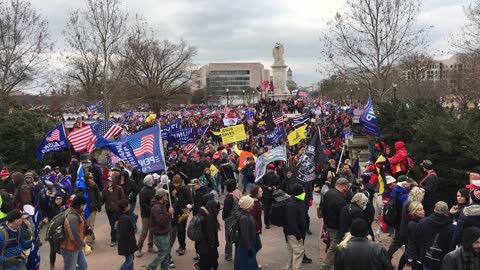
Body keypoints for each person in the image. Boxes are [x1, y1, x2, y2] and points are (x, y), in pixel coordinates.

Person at [414, 201, 454, 270]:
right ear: (446, 212)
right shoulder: (452, 228)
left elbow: (417, 240)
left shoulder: (422, 223)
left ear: (434, 209)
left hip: (427, 258)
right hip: (443, 261)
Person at [320, 178, 349, 270]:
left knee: (332, 242)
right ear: (343, 186)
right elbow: (343, 215)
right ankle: (326, 265)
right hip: (335, 225)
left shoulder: (329, 192)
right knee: (335, 246)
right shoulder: (339, 199)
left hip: (328, 223)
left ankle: (333, 263)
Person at [147, 189, 174, 270]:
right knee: (163, 254)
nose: (166, 196)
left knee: (165, 255)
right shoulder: (157, 208)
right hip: (160, 235)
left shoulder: (161, 205)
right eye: (165, 195)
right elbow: (161, 221)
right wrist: (169, 213)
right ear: (162, 197)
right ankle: (151, 267)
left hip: (164, 233)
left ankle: (164, 268)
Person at [60, 196, 88, 270]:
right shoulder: (72, 217)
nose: (85, 206)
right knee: (70, 268)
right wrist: (84, 245)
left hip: (76, 246)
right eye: (84, 204)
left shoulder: (77, 213)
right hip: (69, 248)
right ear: (80, 205)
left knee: (83, 266)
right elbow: (74, 236)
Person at [283, 184, 307, 270]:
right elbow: (291, 222)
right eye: (303, 191)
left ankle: (288, 267)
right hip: (293, 233)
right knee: (299, 251)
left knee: (291, 251)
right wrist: (298, 235)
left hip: (292, 232)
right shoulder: (292, 204)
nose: (304, 192)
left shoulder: (296, 201)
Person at [76, 172, 101, 246]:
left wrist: (98, 205)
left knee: (90, 225)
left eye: (92, 177)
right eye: (90, 178)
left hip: (92, 208)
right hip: (83, 209)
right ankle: (91, 236)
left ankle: (88, 243)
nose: (92, 179)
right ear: (86, 179)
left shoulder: (94, 185)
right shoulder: (81, 187)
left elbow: (98, 196)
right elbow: (76, 195)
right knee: (85, 225)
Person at [234, 196, 258, 270]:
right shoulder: (245, 218)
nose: (253, 204)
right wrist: (249, 248)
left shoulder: (243, 213)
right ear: (247, 205)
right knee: (245, 265)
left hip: (244, 245)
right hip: (245, 246)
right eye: (251, 203)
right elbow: (245, 235)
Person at [194, 200, 220, 270]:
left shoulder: (202, 214)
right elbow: (210, 235)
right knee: (206, 264)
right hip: (207, 247)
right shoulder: (208, 218)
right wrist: (213, 244)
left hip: (202, 246)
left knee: (205, 262)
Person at [400, 201, 425, 270]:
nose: (423, 211)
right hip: (416, 256)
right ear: (414, 211)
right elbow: (416, 242)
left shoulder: (420, 221)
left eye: (423, 209)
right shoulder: (413, 224)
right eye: (420, 210)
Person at [136, 174, 156, 257]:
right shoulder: (143, 191)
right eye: (152, 179)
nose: (154, 180)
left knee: (152, 230)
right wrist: (152, 209)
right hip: (146, 215)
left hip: (152, 213)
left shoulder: (153, 190)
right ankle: (138, 249)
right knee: (144, 232)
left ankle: (150, 246)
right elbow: (143, 204)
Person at [171, 175, 192, 256]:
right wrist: (174, 196)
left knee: (181, 230)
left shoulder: (185, 190)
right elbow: (174, 201)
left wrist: (186, 211)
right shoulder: (174, 190)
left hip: (184, 212)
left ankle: (182, 247)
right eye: (174, 183)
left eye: (176, 183)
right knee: (178, 230)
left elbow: (190, 202)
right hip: (176, 212)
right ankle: (181, 245)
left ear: (179, 182)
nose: (175, 185)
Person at [102, 176, 125, 247]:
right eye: (108, 181)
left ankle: (113, 239)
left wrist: (118, 204)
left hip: (117, 210)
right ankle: (116, 236)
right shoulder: (105, 190)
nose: (109, 182)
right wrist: (98, 205)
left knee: (113, 224)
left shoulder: (118, 188)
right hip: (109, 210)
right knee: (113, 224)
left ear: (114, 181)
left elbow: (123, 198)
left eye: (111, 181)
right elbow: (102, 200)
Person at [222, 179, 241, 261]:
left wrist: (224, 218)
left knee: (229, 238)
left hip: (230, 219)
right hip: (238, 217)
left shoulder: (229, 197)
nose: (224, 188)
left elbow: (226, 211)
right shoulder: (238, 192)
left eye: (225, 186)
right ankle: (239, 254)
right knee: (237, 236)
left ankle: (228, 255)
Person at [257, 163, 281, 229]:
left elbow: (279, 185)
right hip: (266, 195)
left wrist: (275, 187)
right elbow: (261, 184)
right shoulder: (264, 176)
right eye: (269, 169)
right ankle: (267, 223)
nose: (270, 170)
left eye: (271, 169)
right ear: (267, 169)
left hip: (274, 195)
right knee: (266, 210)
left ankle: (272, 221)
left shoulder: (277, 176)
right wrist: (267, 187)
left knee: (274, 209)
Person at [117, 199, 136, 270]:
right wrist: (131, 239)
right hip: (127, 244)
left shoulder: (123, 216)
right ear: (125, 207)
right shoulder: (124, 218)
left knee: (130, 260)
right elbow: (123, 232)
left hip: (127, 244)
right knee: (129, 260)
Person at [250, 185, 263, 268]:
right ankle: (252, 264)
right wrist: (256, 229)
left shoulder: (257, 201)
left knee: (257, 246)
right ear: (256, 193)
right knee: (256, 246)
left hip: (256, 229)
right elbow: (253, 218)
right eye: (260, 191)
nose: (262, 192)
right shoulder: (254, 203)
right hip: (253, 230)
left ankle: (253, 263)